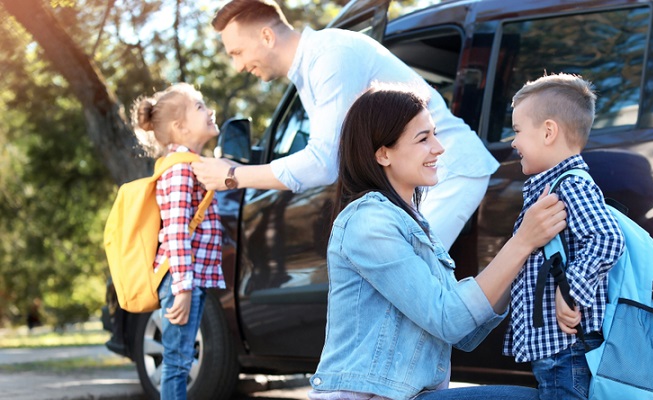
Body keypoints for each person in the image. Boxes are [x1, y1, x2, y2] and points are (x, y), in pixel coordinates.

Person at [307, 85, 566, 399]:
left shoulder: (412, 221)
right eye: (423, 139)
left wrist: (531, 253)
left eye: (435, 134)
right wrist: (521, 242)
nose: (439, 148)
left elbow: (465, 331)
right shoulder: (369, 222)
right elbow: (450, 320)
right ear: (383, 153)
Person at [192, 0, 499, 247]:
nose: (238, 65)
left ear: (267, 36)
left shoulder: (330, 56)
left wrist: (233, 175)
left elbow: (323, 163)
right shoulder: (312, 68)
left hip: (448, 172)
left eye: (237, 52)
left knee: (408, 287)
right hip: (420, 181)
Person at [502, 74, 625, 399]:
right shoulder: (553, 185)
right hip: (558, 350)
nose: (513, 142)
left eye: (517, 131)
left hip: (567, 351)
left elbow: (607, 239)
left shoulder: (571, 185)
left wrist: (570, 292)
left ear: (547, 131)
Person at [131, 83, 226, 400]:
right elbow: (174, 230)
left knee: (180, 360)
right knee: (177, 362)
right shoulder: (181, 169)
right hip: (180, 280)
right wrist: (183, 287)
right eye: (200, 106)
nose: (209, 109)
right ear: (179, 126)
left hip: (186, 278)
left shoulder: (190, 164)